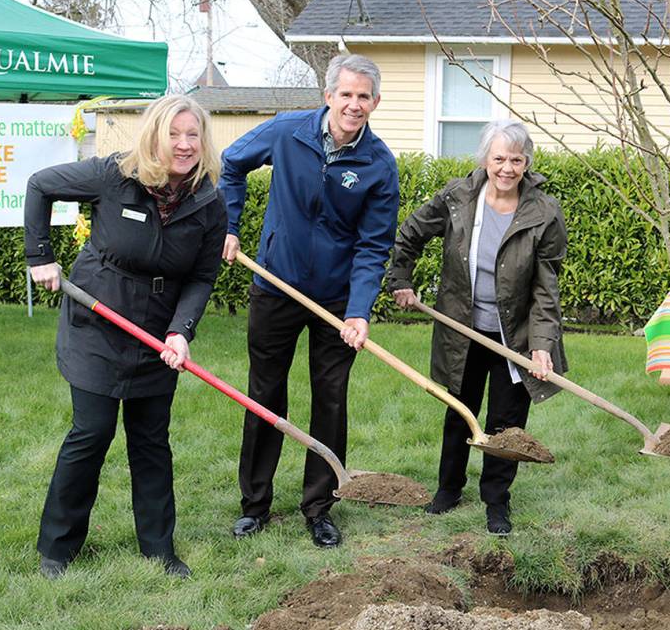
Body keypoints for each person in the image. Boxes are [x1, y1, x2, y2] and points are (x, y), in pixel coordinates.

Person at [24, 95, 227, 578]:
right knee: (91, 432)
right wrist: (40, 257)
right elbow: (40, 185)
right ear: (155, 135)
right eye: (173, 134)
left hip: (157, 332)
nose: (183, 145)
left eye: (192, 135)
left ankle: (159, 549)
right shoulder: (113, 176)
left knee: (151, 439)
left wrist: (181, 332)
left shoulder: (208, 199)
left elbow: (202, 277)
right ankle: (58, 548)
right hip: (97, 319)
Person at [220, 54, 400, 548]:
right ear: (328, 96)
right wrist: (229, 226)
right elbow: (231, 165)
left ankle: (319, 507)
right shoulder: (287, 132)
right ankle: (255, 504)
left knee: (330, 400)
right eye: (346, 94)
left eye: (364, 96)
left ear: (375, 102)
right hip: (276, 284)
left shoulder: (379, 165)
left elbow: (373, 246)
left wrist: (359, 310)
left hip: (336, 302)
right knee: (264, 394)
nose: (354, 105)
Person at [386, 119, 567, 536]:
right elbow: (411, 233)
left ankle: (496, 501)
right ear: (485, 159)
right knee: (459, 412)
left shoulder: (543, 212)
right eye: (499, 158)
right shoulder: (459, 196)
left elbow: (545, 286)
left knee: (507, 423)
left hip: (514, 335)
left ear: (527, 163)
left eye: (516, 160)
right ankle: (448, 489)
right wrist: (401, 280)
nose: (507, 168)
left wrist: (541, 346)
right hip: (462, 328)